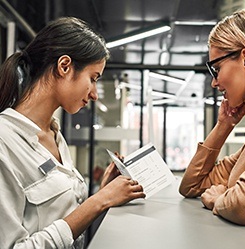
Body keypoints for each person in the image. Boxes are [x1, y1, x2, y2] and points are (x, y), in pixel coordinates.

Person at [0, 17, 145, 248]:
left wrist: (103, 192)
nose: (95, 94)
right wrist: (98, 201)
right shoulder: (4, 142)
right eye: (93, 78)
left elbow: (62, 219)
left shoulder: (54, 135)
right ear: (64, 66)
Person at [179, 10, 245, 249]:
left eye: (216, 69)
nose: (214, 82)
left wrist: (219, 199)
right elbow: (192, 186)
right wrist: (224, 126)